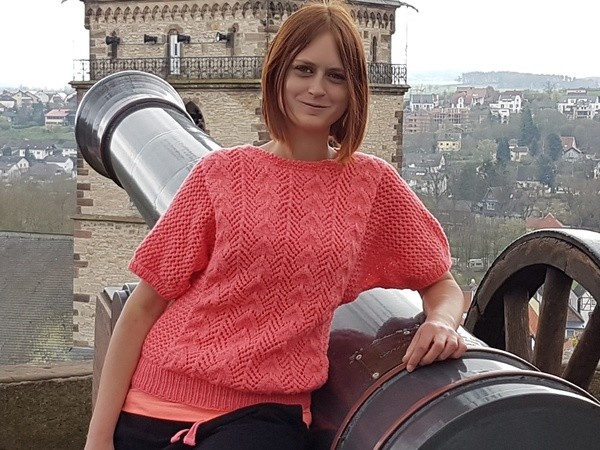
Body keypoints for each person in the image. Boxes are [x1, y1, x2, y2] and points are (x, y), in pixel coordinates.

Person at [85, 1, 467, 449]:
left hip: (261, 416)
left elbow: (441, 282)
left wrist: (442, 323)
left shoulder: (371, 184)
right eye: (304, 70)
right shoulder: (220, 174)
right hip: (153, 401)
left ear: (353, 91)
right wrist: (98, 438)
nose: (317, 88)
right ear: (279, 75)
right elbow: (142, 308)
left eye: (336, 76)